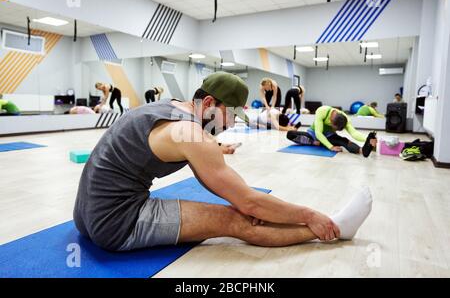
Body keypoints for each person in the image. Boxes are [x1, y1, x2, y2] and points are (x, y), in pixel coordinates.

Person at [74, 72, 372, 252]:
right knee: (235, 219)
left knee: (242, 207)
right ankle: (332, 228)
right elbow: (250, 204)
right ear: (208, 105)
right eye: (229, 115)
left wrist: (218, 150)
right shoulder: (193, 136)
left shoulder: (169, 108)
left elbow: (183, 141)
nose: (230, 124)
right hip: (115, 223)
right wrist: (309, 214)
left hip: (84, 213)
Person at [287, 105, 377, 157]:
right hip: (314, 134)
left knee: (343, 140)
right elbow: (318, 133)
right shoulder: (322, 111)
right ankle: (315, 142)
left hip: (329, 136)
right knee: (290, 134)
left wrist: (367, 139)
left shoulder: (344, 118)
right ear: (331, 122)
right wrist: (331, 147)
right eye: (335, 128)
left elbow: (354, 133)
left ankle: (362, 150)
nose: (335, 130)